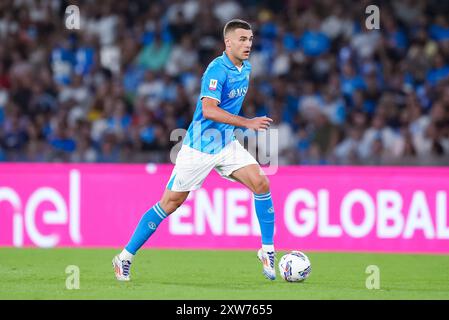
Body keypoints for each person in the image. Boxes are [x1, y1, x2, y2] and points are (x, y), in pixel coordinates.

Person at [112, 19, 277, 281]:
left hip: (225, 143)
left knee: (261, 182)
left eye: (251, 39)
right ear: (228, 42)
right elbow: (209, 109)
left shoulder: (246, 68)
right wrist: (247, 123)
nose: (248, 44)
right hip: (199, 147)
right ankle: (124, 257)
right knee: (171, 203)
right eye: (243, 39)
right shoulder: (216, 70)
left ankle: (267, 251)